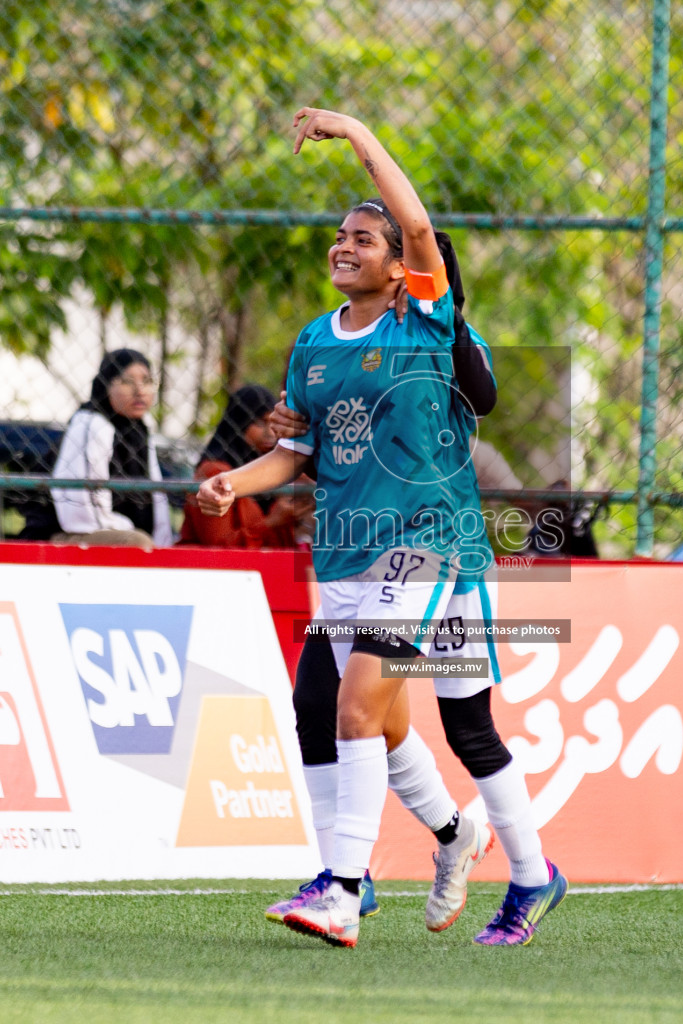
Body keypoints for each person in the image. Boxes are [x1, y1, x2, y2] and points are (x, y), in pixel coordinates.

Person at [198, 107, 564, 949]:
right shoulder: (312, 346)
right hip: (349, 552)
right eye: (339, 235)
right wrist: (232, 486)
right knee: (391, 721)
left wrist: (356, 133)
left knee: (366, 712)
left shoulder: (424, 323)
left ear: (403, 269)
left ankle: (346, 886)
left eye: (365, 237)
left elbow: (420, 222)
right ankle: (474, 849)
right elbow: (295, 454)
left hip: (432, 546)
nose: (344, 245)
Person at [263, 231, 549, 942]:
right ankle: (385, 861)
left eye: (426, 271)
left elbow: (481, 395)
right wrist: (292, 425)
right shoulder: (348, 341)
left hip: (439, 554)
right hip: (361, 552)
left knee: (466, 728)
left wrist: (443, 322)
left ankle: (532, 876)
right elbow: (328, 437)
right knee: (329, 703)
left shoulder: (443, 331)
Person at [50, 349, 171, 549]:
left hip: (120, 532)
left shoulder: (140, 429)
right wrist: (133, 532)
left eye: (147, 381)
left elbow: (157, 499)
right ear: (107, 385)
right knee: (137, 544)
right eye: (127, 381)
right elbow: (82, 511)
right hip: (72, 534)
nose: (140, 391)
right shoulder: (91, 422)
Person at [179, 383, 311, 548]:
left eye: (272, 423)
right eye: (260, 423)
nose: (270, 433)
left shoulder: (276, 469)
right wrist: (272, 522)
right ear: (240, 424)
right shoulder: (217, 473)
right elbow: (217, 549)